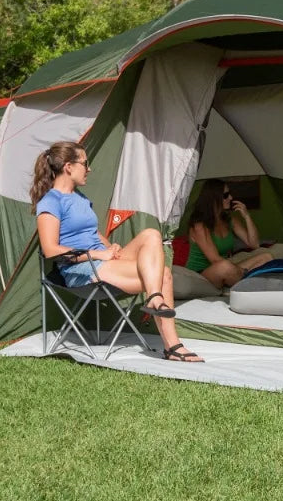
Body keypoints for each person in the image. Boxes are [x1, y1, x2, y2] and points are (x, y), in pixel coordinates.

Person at [31, 141, 203, 362]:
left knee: (151, 234)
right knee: (164, 276)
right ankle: (172, 344)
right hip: (81, 270)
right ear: (68, 167)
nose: (89, 168)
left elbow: (91, 231)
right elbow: (51, 249)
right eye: (85, 163)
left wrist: (108, 246)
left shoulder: (79, 197)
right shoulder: (51, 202)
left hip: (102, 259)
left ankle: (154, 300)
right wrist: (97, 255)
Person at [186, 179, 273, 289]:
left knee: (266, 257)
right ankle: (248, 281)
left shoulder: (229, 219)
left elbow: (254, 244)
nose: (231, 198)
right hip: (201, 275)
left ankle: (240, 282)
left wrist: (247, 216)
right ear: (214, 199)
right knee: (224, 266)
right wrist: (243, 271)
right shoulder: (199, 226)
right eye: (226, 195)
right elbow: (215, 260)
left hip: (228, 268)